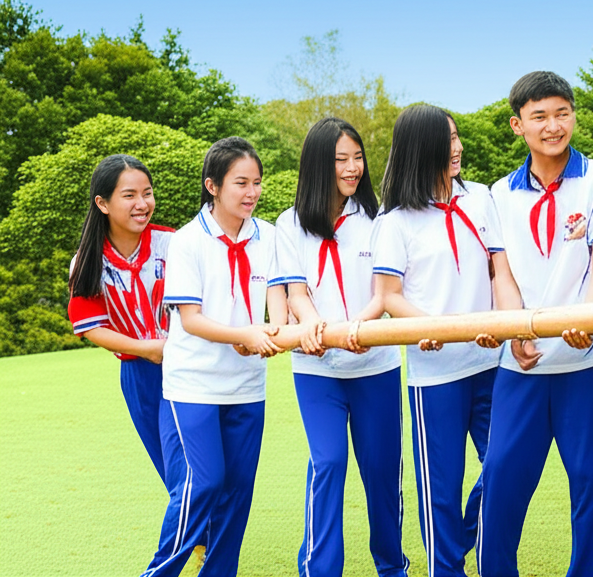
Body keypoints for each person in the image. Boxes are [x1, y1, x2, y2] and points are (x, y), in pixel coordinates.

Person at [478, 71, 593, 577]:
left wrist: (585, 318)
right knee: (500, 476)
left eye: (562, 113)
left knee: (588, 479)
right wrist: (517, 329)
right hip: (519, 365)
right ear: (518, 125)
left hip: (587, 361)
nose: (553, 125)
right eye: (539, 116)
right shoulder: (498, 194)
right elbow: (503, 271)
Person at [141, 137, 286, 577]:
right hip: (193, 385)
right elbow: (191, 319)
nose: (251, 193)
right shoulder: (187, 242)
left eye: (257, 183)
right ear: (213, 186)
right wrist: (244, 333)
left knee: (238, 491)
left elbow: (277, 298)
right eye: (241, 183)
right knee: (202, 484)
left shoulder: (270, 237)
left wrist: (274, 330)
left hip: (246, 386)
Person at [372, 104, 507, 577]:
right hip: (436, 375)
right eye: (446, 139)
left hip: (492, 363)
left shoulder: (481, 198)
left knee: (506, 468)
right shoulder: (394, 221)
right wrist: (431, 326)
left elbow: (498, 273)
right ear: (419, 147)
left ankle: (465, 542)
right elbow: (388, 296)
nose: (457, 147)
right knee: (441, 490)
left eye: (457, 136)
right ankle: (447, 570)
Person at [274, 117, 408, 577]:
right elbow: (296, 293)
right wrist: (312, 326)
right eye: (340, 160)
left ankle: (392, 566)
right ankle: (319, 569)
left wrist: (359, 327)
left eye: (358, 157)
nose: (353, 168)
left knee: (382, 473)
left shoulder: (381, 220)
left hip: (376, 365)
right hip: (316, 370)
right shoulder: (288, 224)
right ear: (316, 165)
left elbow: (383, 291)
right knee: (328, 463)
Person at [68, 154, 186, 566]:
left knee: (194, 475)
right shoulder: (88, 260)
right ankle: (201, 542)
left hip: (190, 370)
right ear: (103, 203)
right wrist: (148, 349)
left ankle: (179, 556)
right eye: (129, 195)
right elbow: (91, 326)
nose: (142, 203)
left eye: (147, 193)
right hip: (140, 375)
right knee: (177, 476)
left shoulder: (175, 243)